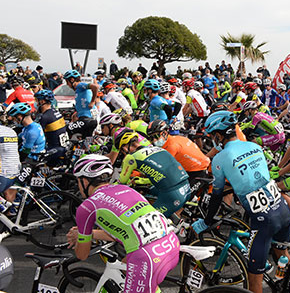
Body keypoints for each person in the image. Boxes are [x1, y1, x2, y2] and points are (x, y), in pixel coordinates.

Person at [192, 111, 290, 293]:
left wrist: (207, 221)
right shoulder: (254, 146)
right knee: (282, 256)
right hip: (282, 209)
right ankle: (289, 283)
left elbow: (217, 194)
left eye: (213, 136)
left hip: (264, 219)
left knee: (254, 281)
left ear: (218, 135)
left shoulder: (220, 158)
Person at [67, 155, 179, 293]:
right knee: (126, 267)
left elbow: (82, 255)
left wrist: (81, 237)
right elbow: (126, 231)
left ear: (84, 181)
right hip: (170, 243)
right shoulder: (126, 189)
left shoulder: (87, 207)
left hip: (147, 257)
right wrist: (93, 234)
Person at [117, 133, 191, 219]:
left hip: (172, 195)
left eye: (122, 151)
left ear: (125, 147)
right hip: (186, 187)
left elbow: (122, 181)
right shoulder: (158, 149)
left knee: (144, 219)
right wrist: (142, 181)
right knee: (148, 191)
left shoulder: (131, 157)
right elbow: (163, 173)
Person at [146, 120, 210, 187]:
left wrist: (145, 179)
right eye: (151, 138)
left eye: (156, 136)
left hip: (199, 172)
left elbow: (162, 169)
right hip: (196, 168)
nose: (154, 140)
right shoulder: (175, 138)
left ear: (164, 133)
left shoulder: (171, 146)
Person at [34, 89, 69, 156]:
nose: (35, 102)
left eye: (37, 100)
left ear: (42, 101)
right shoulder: (56, 112)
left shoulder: (44, 117)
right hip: (63, 147)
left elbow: (37, 135)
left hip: (54, 149)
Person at [0, 122, 21, 210]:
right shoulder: (10, 131)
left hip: (4, 173)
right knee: (9, 196)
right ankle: (9, 213)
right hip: (16, 170)